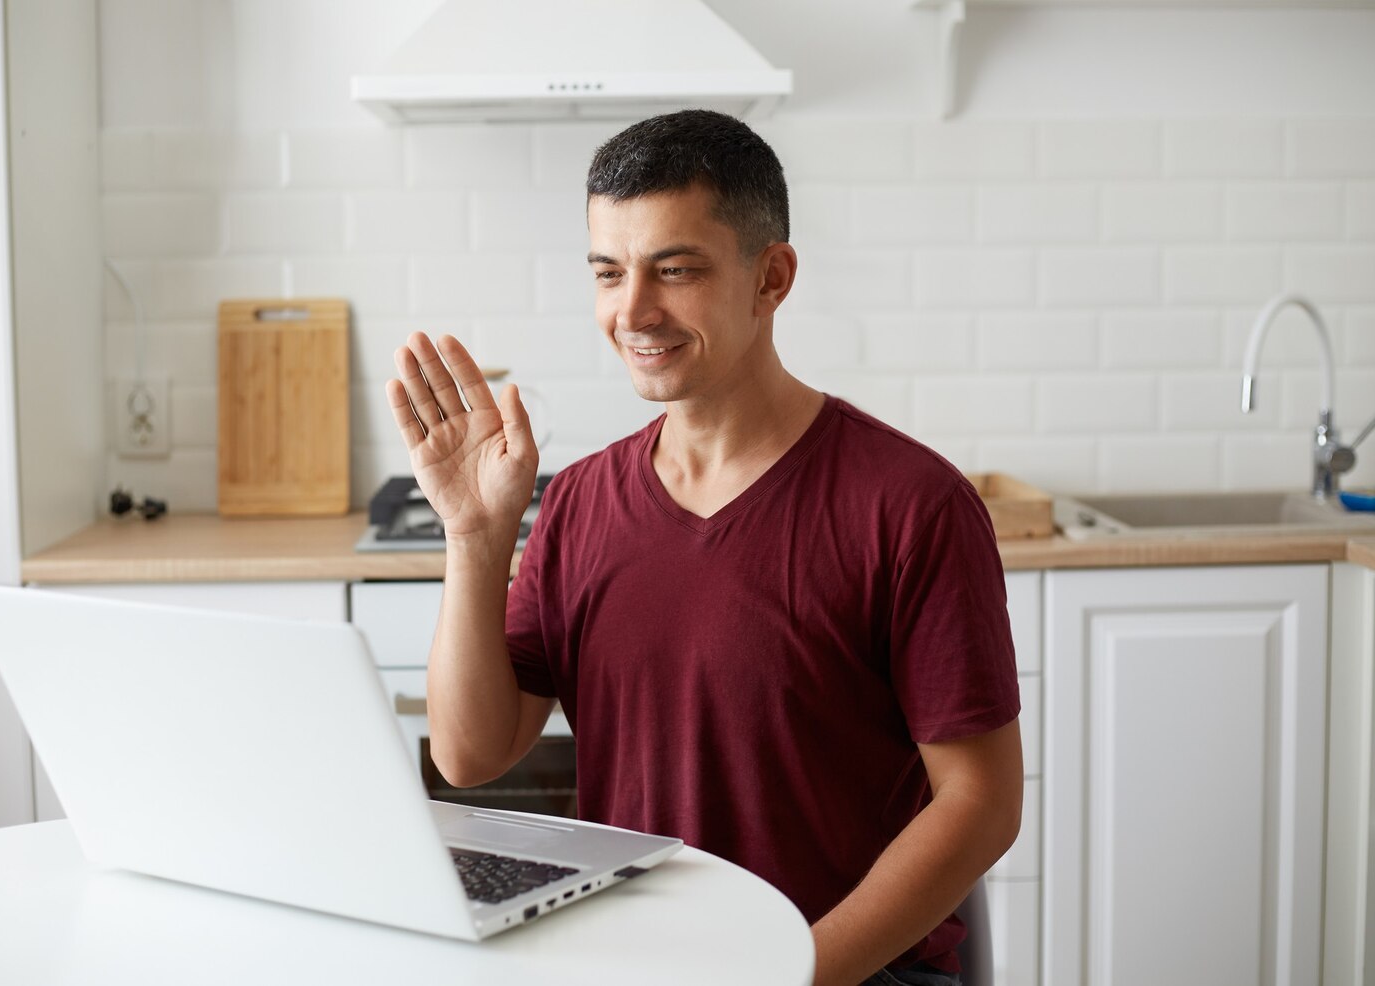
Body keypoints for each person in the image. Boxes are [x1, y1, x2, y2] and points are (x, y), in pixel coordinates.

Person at [385, 109, 1023, 986]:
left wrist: (796, 972)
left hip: (842, 970)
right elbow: (469, 754)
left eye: (675, 270)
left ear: (772, 277)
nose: (634, 311)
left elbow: (981, 802)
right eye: (608, 273)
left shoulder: (911, 505)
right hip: (639, 962)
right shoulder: (577, 503)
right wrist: (475, 537)